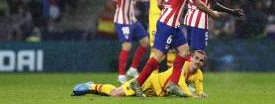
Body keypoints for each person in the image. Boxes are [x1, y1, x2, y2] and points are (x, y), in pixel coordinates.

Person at [113, 0, 220, 97]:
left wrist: (170, 9)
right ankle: (137, 83)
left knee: (185, 51)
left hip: (170, 23)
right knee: (158, 56)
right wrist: (212, 13)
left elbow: (159, 2)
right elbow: (198, 3)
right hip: (168, 25)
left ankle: (173, 84)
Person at [111, 0, 176, 67]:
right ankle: (153, 77)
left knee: (172, 48)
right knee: (155, 49)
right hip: (155, 19)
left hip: (170, 18)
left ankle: (171, 78)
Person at [71, 50, 207, 98]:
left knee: (120, 95)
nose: (198, 62)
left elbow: (200, 88)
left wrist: (200, 93)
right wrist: (193, 96)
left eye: (201, 60)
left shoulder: (198, 74)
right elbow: (181, 85)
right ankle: (91, 86)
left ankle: (93, 88)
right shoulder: (181, 66)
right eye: (196, 58)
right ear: (191, 58)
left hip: (156, 92)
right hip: (150, 82)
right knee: (115, 93)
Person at [112, 0, 149, 84]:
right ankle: (121, 75)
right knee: (127, 46)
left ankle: (133, 69)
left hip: (133, 20)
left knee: (145, 42)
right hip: (122, 20)